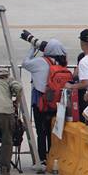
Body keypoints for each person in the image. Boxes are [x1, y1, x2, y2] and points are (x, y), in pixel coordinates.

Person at [21, 37, 67, 167]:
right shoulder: (61, 62)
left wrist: (33, 47)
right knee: (51, 131)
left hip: (40, 101)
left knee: (41, 132)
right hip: (56, 102)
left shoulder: (40, 62)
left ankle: (41, 159)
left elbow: (25, 63)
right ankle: (52, 157)